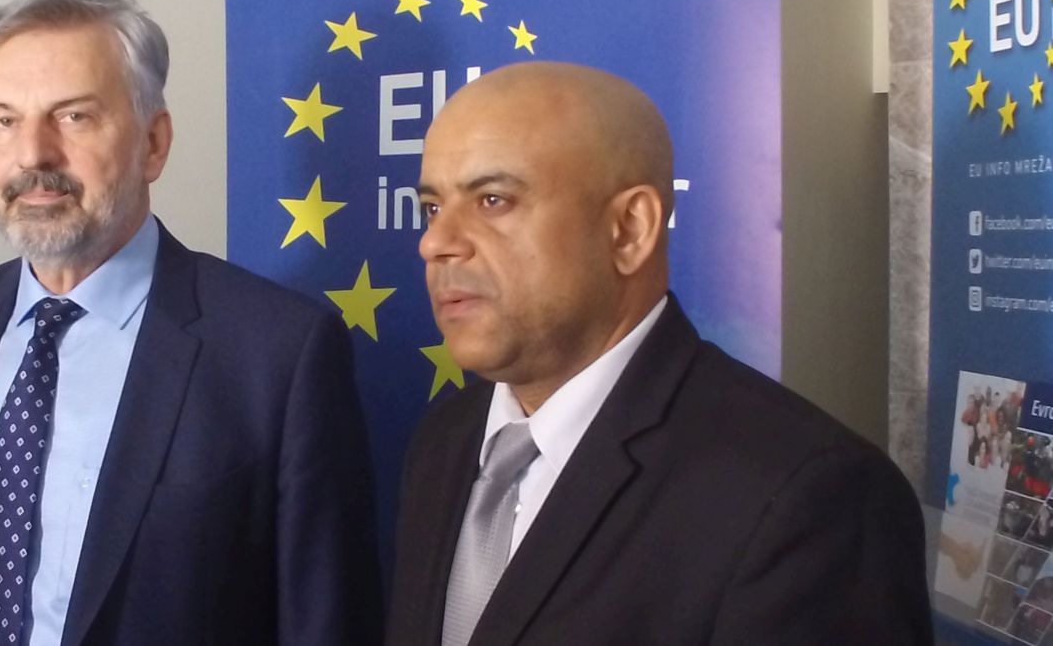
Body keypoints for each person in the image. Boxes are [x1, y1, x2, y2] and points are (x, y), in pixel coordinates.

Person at [0, 0, 382, 646]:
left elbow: (325, 625)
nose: (33, 155)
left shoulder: (277, 352)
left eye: (73, 117)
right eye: (4, 121)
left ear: (154, 142)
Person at [387, 62, 933, 645]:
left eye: (492, 200)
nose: (435, 242)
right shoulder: (446, 439)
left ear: (630, 229)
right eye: (432, 208)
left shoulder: (810, 497)